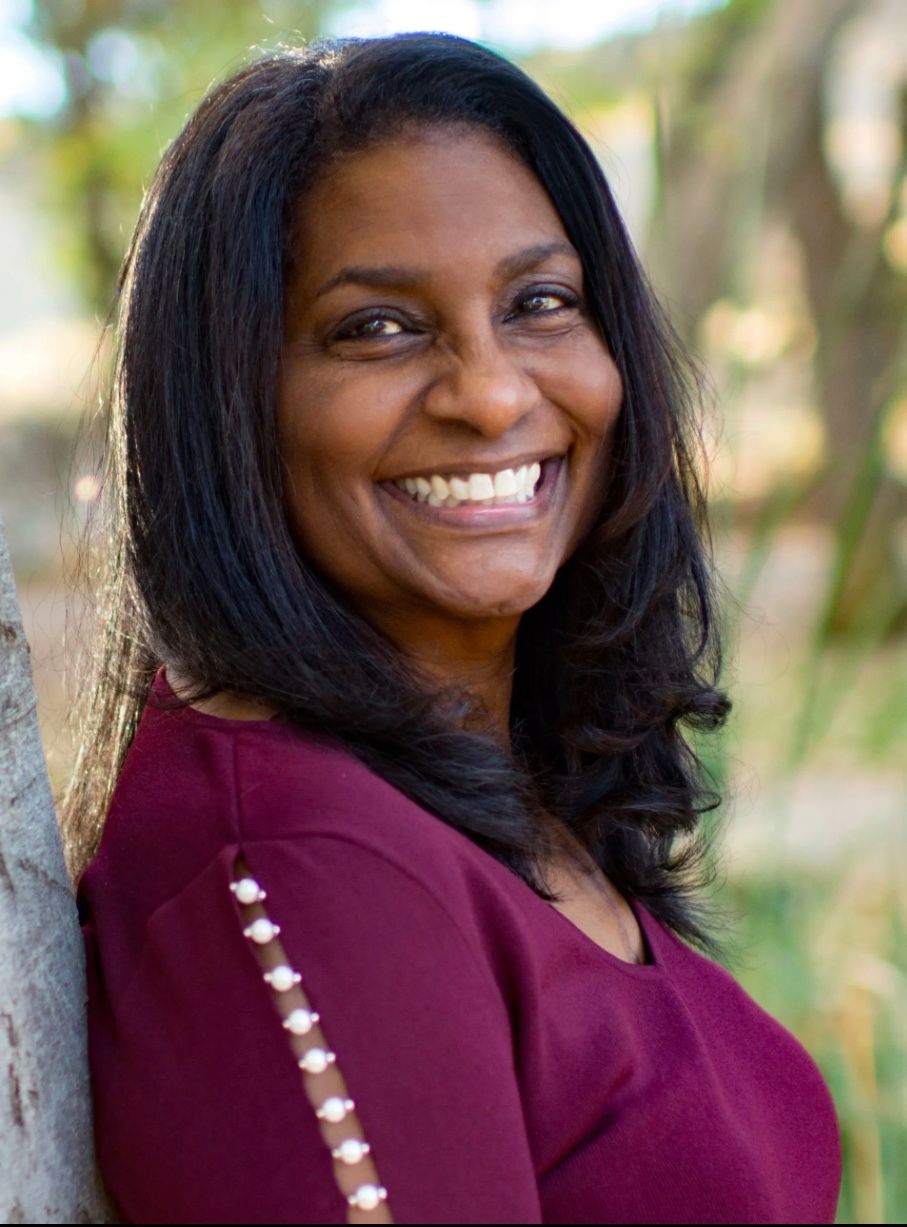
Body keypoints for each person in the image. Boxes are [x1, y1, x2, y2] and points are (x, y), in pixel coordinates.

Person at [67, 33, 842, 1224]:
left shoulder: (486, 791)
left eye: (540, 304)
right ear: (231, 401)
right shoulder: (295, 862)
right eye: (376, 327)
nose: (488, 392)